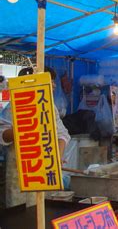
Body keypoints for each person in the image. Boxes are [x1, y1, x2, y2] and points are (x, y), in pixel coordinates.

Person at [0, 67, 70, 208]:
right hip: (19, 174)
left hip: (44, 173)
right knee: (20, 217)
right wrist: (27, 126)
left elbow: (63, 134)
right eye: (50, 81)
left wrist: (58, 157)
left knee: (41, 211)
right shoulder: (13, 107)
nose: (54, 85)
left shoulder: (51, 107)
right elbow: (3, 135)